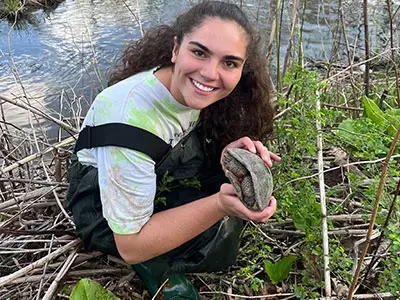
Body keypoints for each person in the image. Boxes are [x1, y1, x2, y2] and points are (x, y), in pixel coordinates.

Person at [66, 1, 280, 299]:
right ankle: (156, 266)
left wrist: (226, 155)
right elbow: (130, 245)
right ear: (176, 48)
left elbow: (176, 141)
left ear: (243, 69)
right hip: (101, 207)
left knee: (234, 194)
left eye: (229, 63)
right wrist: (219, 205)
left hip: (158, 172)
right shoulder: (129, 118)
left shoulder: (187, 87)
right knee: (213, 234)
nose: (209, 73)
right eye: (199, 52)